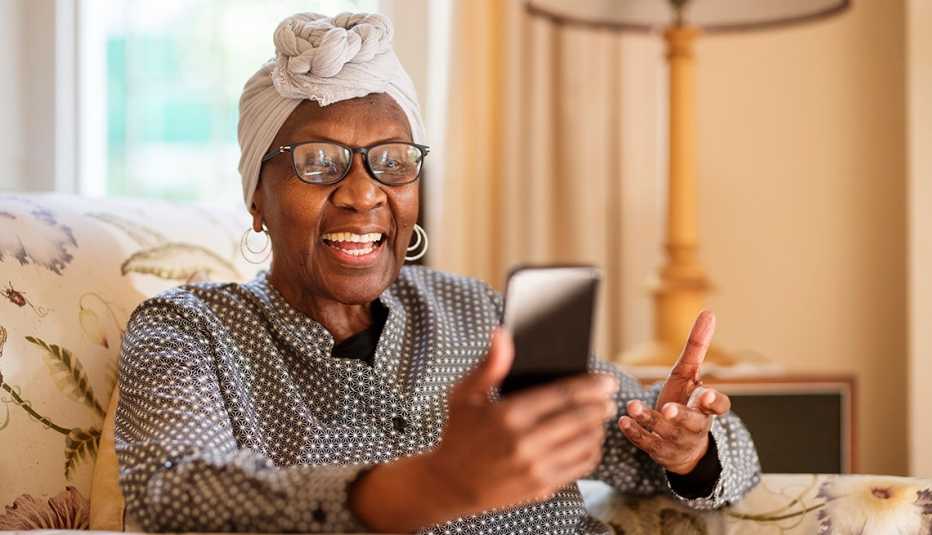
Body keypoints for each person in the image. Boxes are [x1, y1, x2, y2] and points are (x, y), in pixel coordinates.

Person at [114, 11, 761, 535]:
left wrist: (686, 447)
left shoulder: (484, 314)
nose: (363, 194)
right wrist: (417, 488)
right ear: (257, 195)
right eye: (319, 161)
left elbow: (666, 441)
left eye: (392, 162)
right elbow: (174, 486)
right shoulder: (187, 331)